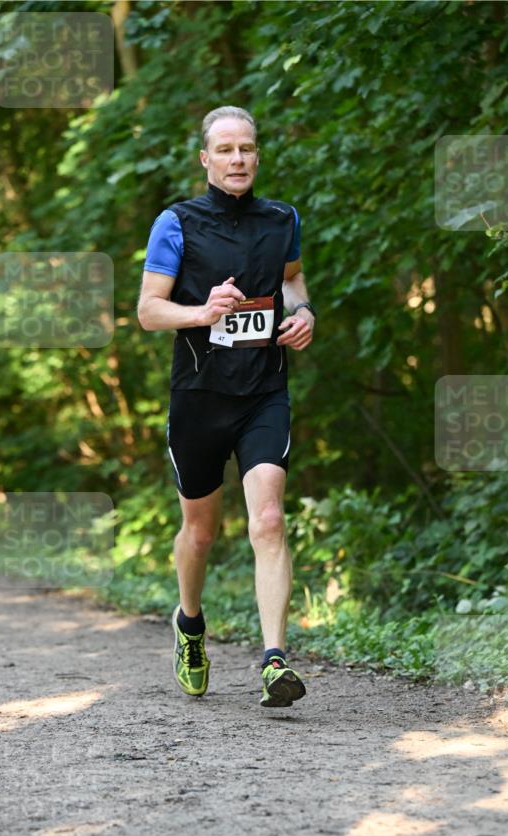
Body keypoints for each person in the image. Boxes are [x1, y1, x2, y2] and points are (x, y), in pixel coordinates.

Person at [137, 106, 316, 708]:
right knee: (202, 531)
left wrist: (303, 313)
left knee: (267, 520)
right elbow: (148, 310)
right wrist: (201, 312)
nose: (238, 159)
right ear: (206, 158)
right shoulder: (177, 222)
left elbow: (292, 282)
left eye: (247, 149)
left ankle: (273, 661)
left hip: (265, 389)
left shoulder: (281, 219)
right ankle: (189, 623)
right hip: (199, 396)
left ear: (257, 155)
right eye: (226, 150)